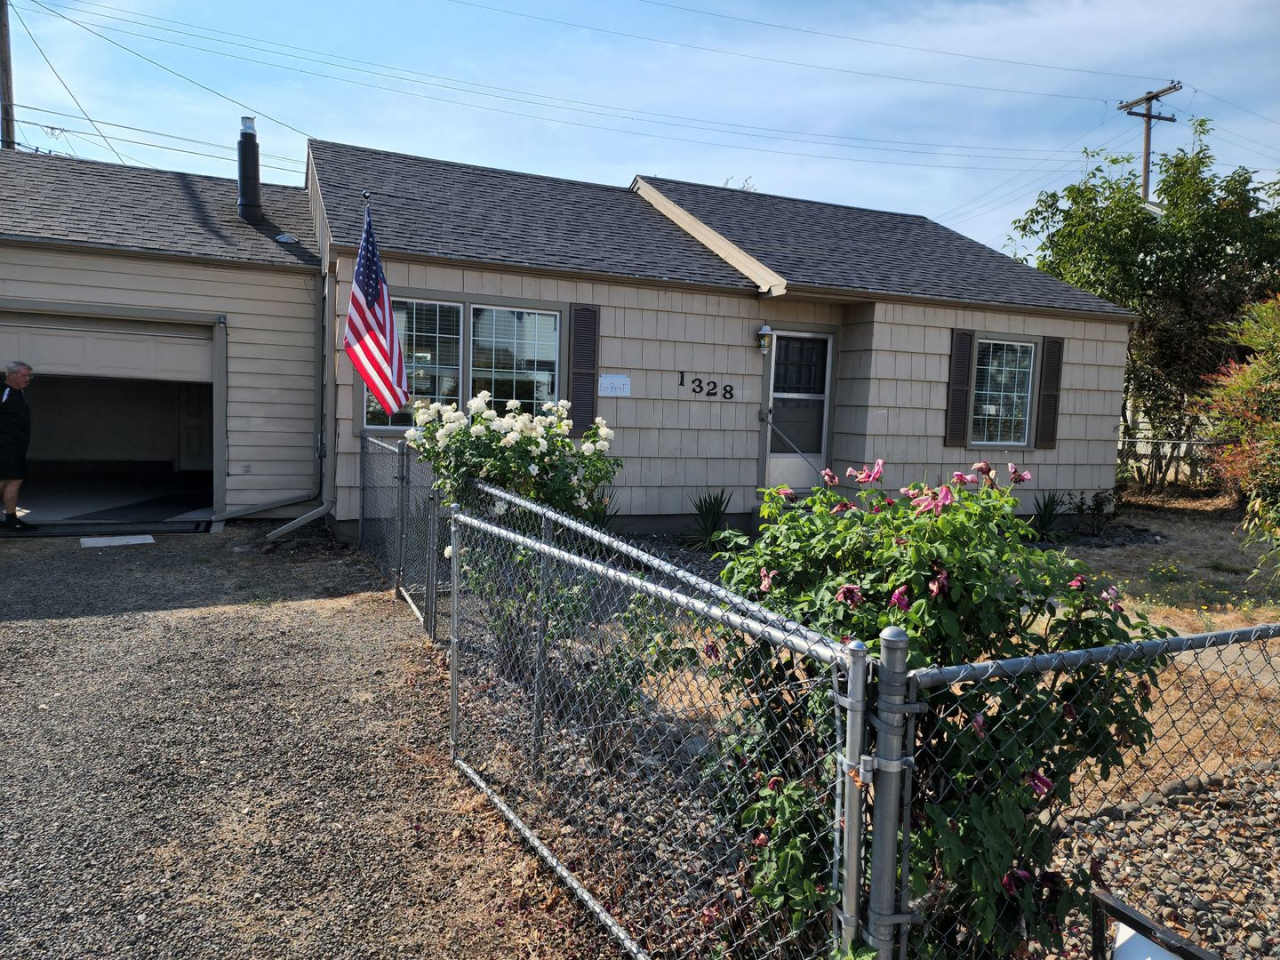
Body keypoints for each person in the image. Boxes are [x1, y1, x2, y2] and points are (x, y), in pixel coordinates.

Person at [0, 361, 35, 531]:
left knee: (13, 480)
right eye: (24, 375)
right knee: (7, 480)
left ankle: (11, 518)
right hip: (5, 446)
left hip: (15, 447)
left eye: (29, 376)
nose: (28, 379)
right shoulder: (5, 392)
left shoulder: (18, 392)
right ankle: (11, 519)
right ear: (11, 375)